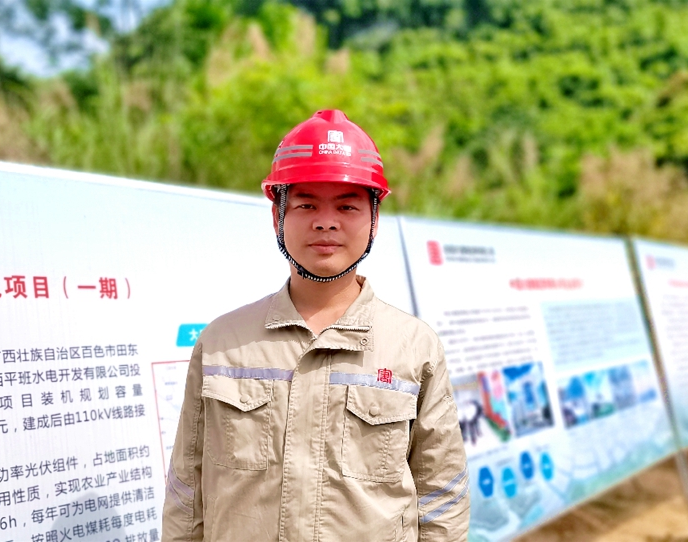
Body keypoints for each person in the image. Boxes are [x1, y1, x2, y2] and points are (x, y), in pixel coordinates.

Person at [162, 109, 470, 541]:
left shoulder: (414, 347)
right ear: (277, 215)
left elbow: (441, 494)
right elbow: (186, 490)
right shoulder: (222, 343)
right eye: (306, 205)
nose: (326, 221)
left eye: (347, 206)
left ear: (374, 219)